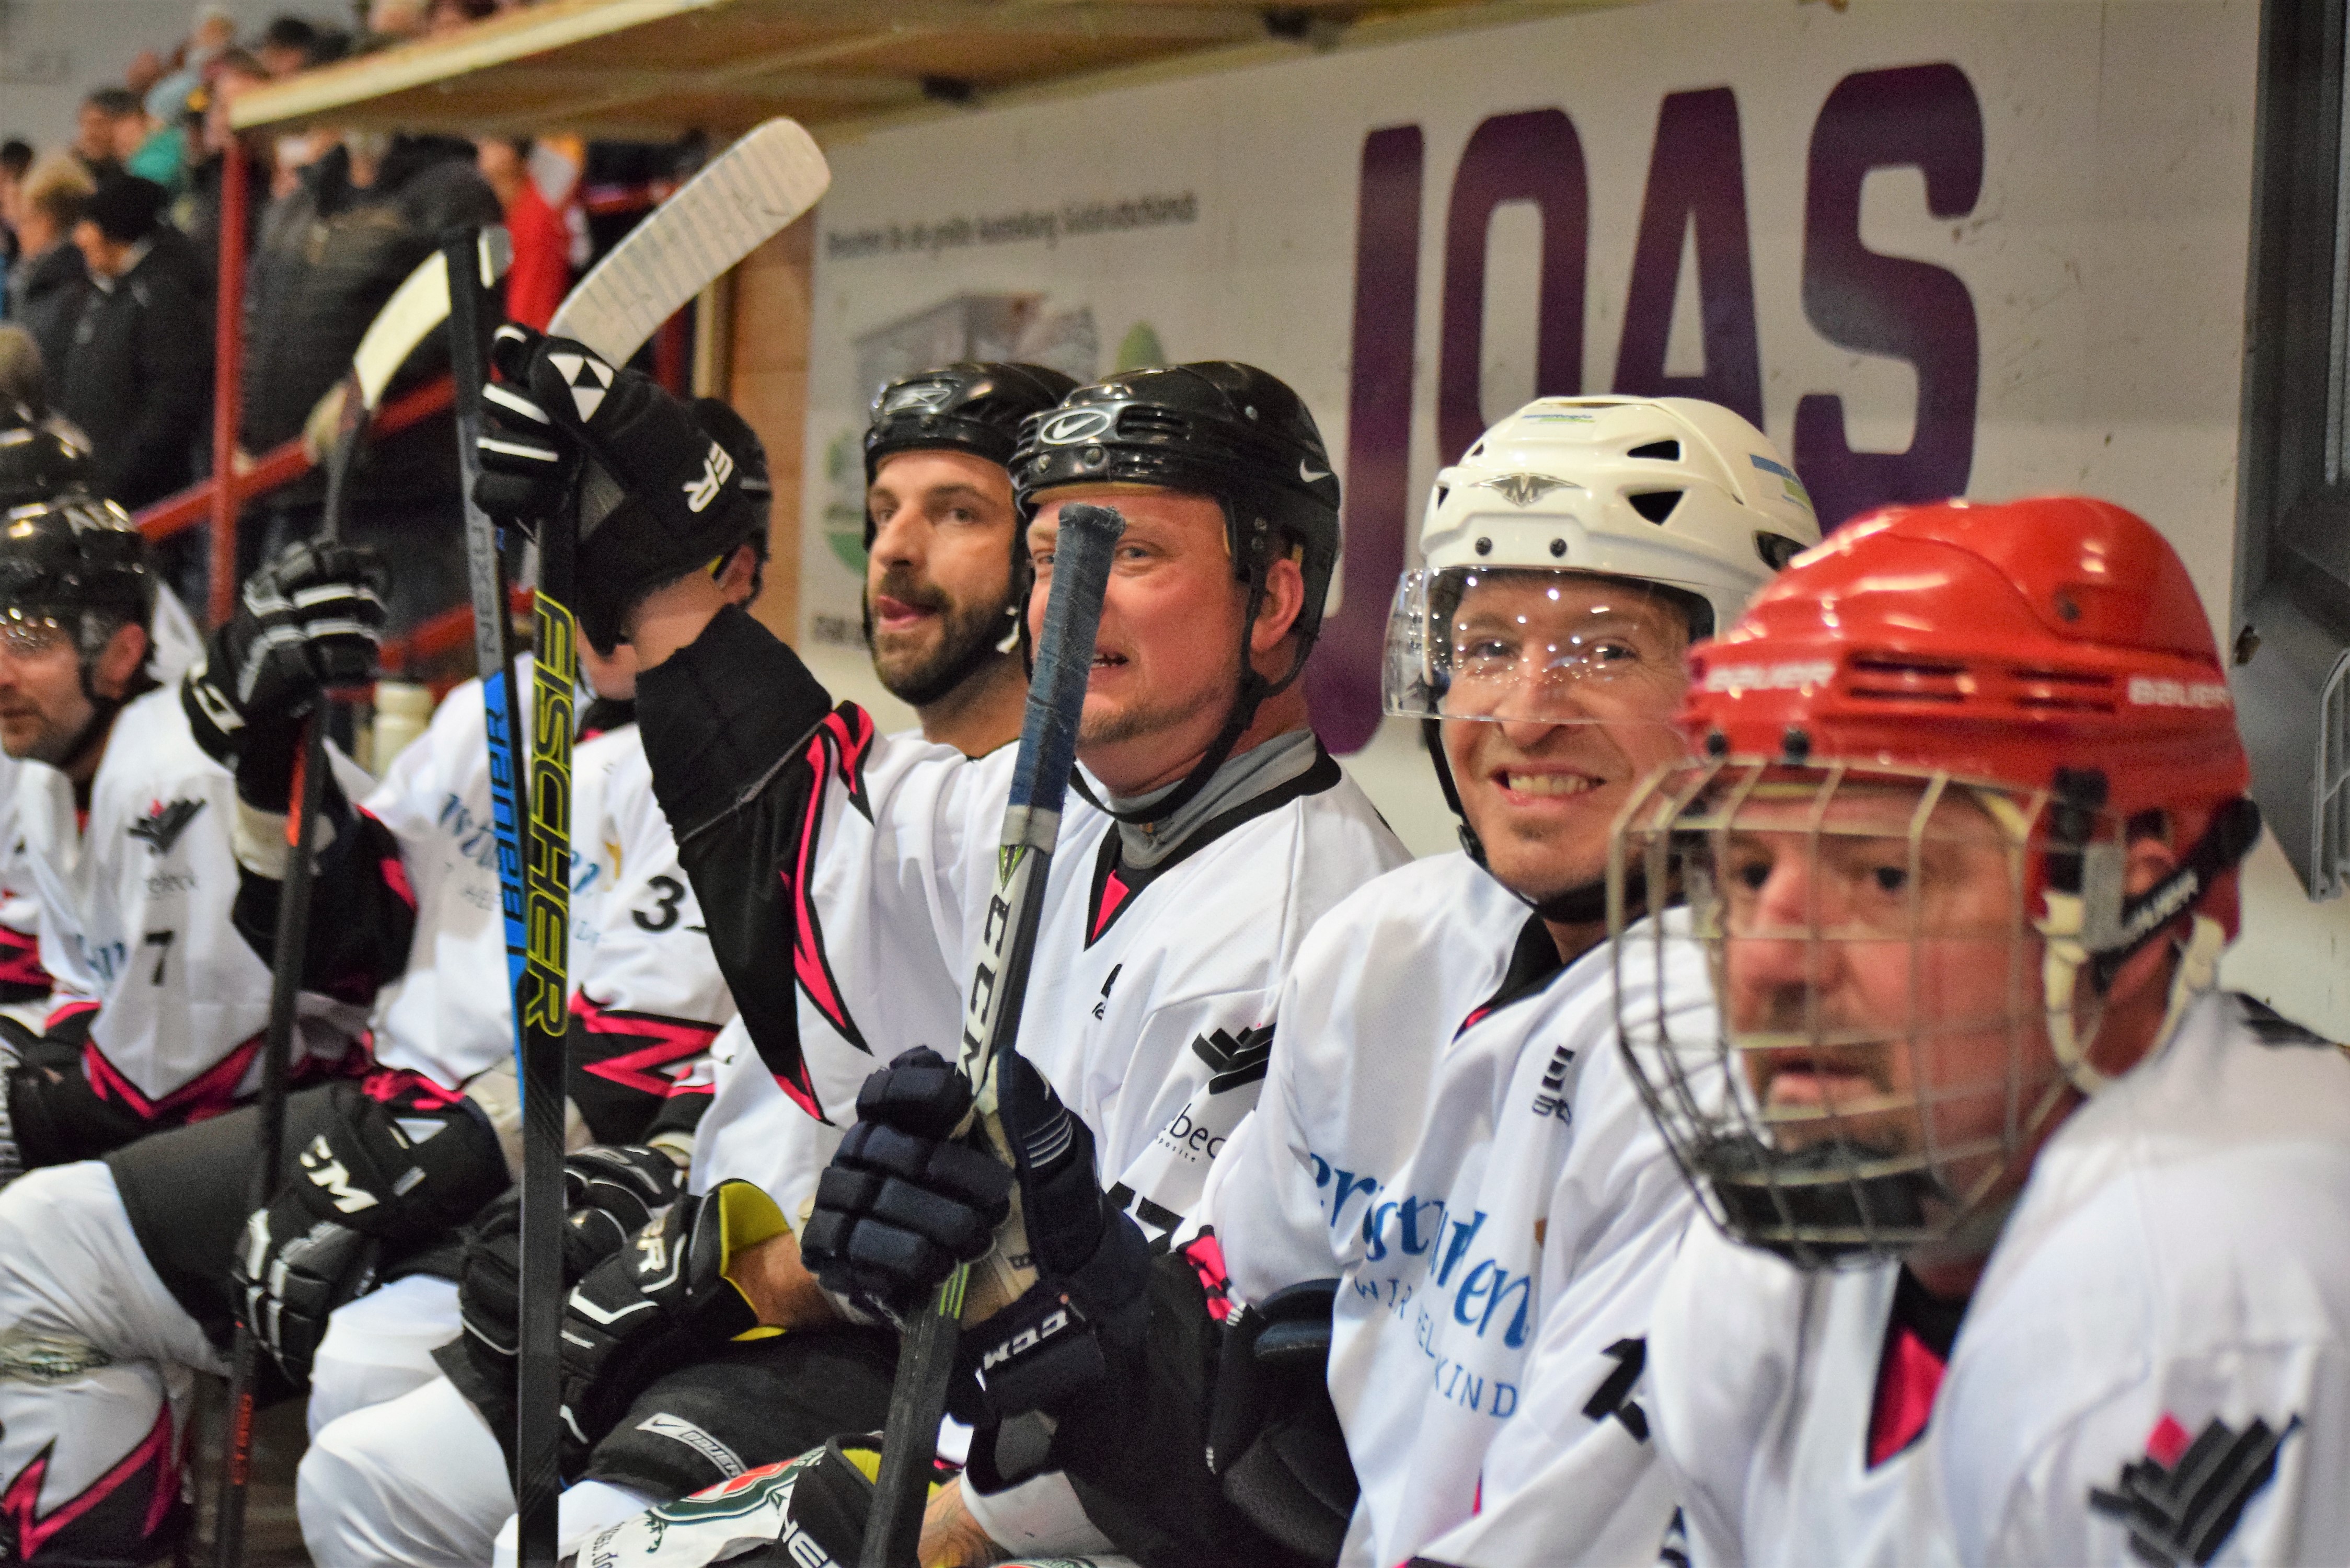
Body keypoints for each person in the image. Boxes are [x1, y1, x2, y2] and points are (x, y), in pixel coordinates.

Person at [642, 398, 1818, 1568]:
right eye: (1487, 646)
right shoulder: (1391, 957)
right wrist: (1055, 1291)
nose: (1524, 712)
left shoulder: (1782, 1083)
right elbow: (1238, 1428)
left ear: (1755, 686)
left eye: (1605, 651)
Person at [294, 361, 1079, 1564]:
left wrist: (708, 1271)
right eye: (882, 513)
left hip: (867, 1337)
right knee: (367, 1476)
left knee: (563, 1541)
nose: (896, 549)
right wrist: (645, 1180)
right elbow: (746, 1061)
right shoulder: (876, 780)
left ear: (1047, 563)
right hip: (732, 1278)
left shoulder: (1054, 836)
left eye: (957, 512)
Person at [1615, 497, 2350, 1566]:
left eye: (1884, 876)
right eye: (1748, 870)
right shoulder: (1766, 1268)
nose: (1769, 962)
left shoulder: (2207, 1306)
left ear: (2130, 903)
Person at [238, 125, 500, 626]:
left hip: (397, 497)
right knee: (293, 659)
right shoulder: (306, 197)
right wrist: (245, 431)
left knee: (395, 661)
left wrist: (368, 386)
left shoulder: (452, 191)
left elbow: (465, 314)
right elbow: (256, 321)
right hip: (291, 486)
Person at [60, 178, 209, 512]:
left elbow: (170, 406)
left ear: (115, 231)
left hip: (141, 500)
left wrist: (116, 484)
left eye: (88, 224)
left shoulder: (162, 296)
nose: (79, 238)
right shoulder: (108, 293)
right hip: (100, 493)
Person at [3, 155, 93, 385]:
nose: (19, 233)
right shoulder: (36, 278)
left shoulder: (68, 288)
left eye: (24, 221)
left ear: (46, 222)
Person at [476, 139, 567, 330]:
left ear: (508, 154)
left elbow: (528, 314)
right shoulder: (508, 211)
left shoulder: (536, 222)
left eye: (490, 142)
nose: (480, 147)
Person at [72, 89, 136, 187]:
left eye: (100, 124)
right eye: (85, 124)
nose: (90, 134)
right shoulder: (69, 175)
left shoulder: (138, 173)